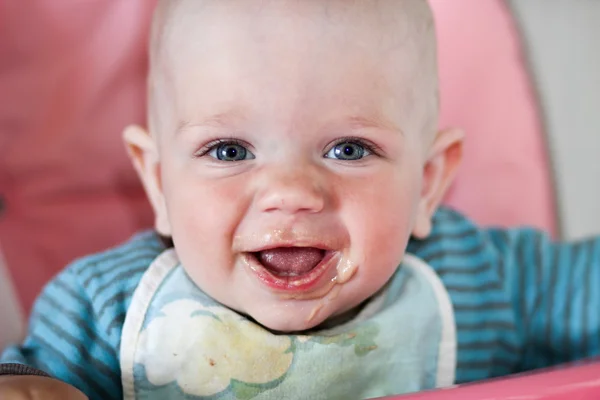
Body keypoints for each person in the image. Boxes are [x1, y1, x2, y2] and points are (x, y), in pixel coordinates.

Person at [1, 1, 598, 399]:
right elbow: (28, 376)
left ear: (429, 182)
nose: (290, 193)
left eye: (348, 149)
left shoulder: (478, 279)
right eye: (230, 151)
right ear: (158, 183)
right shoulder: (108, 310)